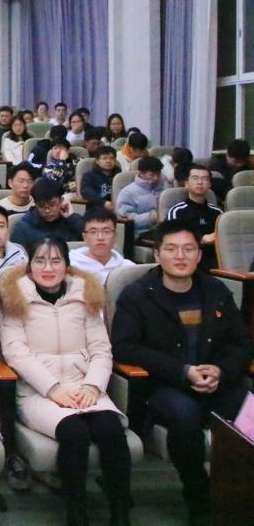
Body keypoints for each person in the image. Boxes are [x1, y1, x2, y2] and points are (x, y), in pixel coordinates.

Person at [111, 220, 254, 525]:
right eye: (172, 249)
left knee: (250, 410)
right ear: (157, 254)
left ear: (199, 255)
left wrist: (220, 370)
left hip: (217, 382)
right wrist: (183, 371)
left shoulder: (215, 290)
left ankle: (240, 494)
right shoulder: (137, 295)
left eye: (188, 249)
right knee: (184, 415)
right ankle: (199, 497)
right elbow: (125, 347)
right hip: (165, 385)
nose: (180, 256)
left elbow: (241, 342)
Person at [0, 235, 131, 524]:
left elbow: (101, 349)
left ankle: (121, 511)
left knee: (110, 429)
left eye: (56, 260)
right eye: (40, 260)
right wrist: (53, 388)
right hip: (38, 392)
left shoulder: (85, 295)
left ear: (67, 265)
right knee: (74, 432)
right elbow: (15, 353)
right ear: (29, 265)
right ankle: (76, 511)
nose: (48, 268)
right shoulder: (15, 298)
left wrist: (93, 385)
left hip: (84, 385)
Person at [166, 163, 222, 269]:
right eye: (195, 178)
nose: (200, 182)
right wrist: (202, 240)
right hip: (187, 262)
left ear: (209, 185)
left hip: (216, 261)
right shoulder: (177, 211)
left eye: (205, 179)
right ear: (186, 184)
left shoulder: (218, 212)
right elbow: (172, 241)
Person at [10, 178, 84, 248]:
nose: (47, 211)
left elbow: (88, 242)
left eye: (52, 204)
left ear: (61, 200)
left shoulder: (73, 222)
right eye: (41, 206)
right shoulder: (23, 228)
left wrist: (72, 217)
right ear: (35, 203)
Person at [68, 208, 134, 284]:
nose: (100, 237)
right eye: (93, 232)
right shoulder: (71, 265)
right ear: (84, 237)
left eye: (106, 232)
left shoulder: (128, 268)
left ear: (115, 236)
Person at [115, 156, 166, 240]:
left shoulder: (163, 187)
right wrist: (152, 217)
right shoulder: (127, 193)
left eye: (158, 174)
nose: (156, 178)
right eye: (152, 175)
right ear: (141, 173)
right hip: (142, 233)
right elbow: (127, 220)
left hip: (163, 229)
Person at [80, 145, 120, 212]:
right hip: (96, 209)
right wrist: (103, 203)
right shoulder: (89, 176)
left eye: (112, 158)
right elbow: (87, 191)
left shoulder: (120, 176)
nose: (108, 161)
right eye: (104, 158)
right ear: (97, 161)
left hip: (118, 209)